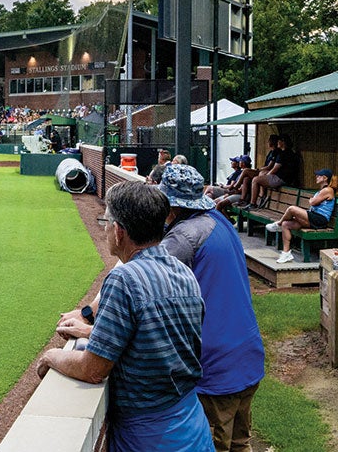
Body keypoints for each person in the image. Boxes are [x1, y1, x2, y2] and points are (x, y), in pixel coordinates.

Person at [40, 181, 212, 451]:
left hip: (150, 436)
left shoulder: (124, 278)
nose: (105, 227)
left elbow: (92, 370)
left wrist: (51, 357)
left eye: (106, 221)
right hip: (192, 426)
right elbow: (152, 339)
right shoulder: (182, 271)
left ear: (119, 232)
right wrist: (91, 334)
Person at [151, 164, 266, 452]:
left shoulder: (183, 236)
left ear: (171, 205)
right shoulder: (218, 220)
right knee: (240, 443)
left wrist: (91, 318)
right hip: (246, 355)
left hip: (217, 367)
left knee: (212, 445)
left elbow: (144, 282)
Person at [266, 168, 335, 264]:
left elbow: (313, 202)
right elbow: (313, 202)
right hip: (313, 217)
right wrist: (312, 201)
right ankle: (286, 254)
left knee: (292, 209)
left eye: (319, 175)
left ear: (325, 178)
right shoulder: (321, 191)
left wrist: (312, 200)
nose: (316, 177)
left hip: (319, 219)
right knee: (286, 225)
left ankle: (278, 224)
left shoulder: (328, 190)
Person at [242, 135, 298, 207]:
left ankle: (253, 203)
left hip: (281, 178)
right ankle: (262, 196)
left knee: (255, 180)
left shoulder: (283, 153)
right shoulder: (289, 152)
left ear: (283, 142)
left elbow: (275, 168)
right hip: (285, 178)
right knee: (262, 174)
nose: (277, 142)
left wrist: (267, 176)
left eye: (279, 141)